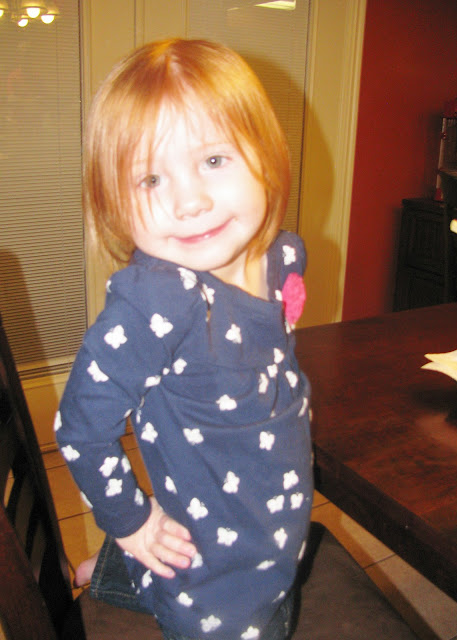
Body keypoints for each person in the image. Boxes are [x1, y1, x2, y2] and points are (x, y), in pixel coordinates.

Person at [56, 38, 313, 640]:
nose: (189, 201)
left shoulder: (282, 253)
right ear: (115, 201)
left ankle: (111, 572)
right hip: (215, 578)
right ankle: (135, 565)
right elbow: (80, 428)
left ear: (265, 154)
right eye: (150, 178)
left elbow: (281, 309)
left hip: (267, 522)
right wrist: (131, 521)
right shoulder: (157, 303)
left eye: (214, 160)